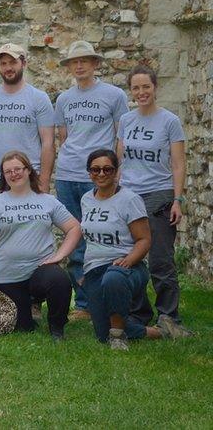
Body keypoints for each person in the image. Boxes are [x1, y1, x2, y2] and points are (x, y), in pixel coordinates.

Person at [53, 40, 128, 321]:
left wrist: (114, 171)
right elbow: (64, 138)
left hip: (99, 175)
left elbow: (121, 135)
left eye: (85, 60)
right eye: (75, 61)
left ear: (95, 64)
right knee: (75, 239)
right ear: (70, 67)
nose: (80, 65)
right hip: (68, 174)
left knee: (103, 236)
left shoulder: (114, 94)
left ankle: (111, 297)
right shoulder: (63, 99)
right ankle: (83, 304)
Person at [117, 65, 190, 337]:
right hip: (130, 197)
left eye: (146, 86)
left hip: (159, 194)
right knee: (130, 257)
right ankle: (140, 313)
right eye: (136, 88)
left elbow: (178, 163)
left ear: (155, 88)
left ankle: (169, 316)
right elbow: (120, 159)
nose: (141, 92)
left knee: (160, 260)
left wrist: (177, 199)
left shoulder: (169, 121)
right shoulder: (126, 120)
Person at [0, 151, 81, 339]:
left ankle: (57, 328)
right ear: (4, 176)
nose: (13, 174)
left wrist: (59, 256)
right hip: (8, 276)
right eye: (8, 171)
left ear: (28, 171)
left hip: (39, 271)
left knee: (59, 280)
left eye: (18, 169)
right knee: (22, 327)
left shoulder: (47, 201)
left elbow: (74, 228)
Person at [80, 149, 167, 349]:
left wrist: (128, 260)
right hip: (95, 269)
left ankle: (118, 336)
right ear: (89, 173)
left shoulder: (129, 199)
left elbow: (144, 239)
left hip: (126, 266)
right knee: (102, 333)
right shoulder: (86, 199)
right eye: (95, 170)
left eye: (107, 169)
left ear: (116, 171)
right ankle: (154, 331)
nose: (101, 174)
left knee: (113, 278)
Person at [0, 43, 55, 216]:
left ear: (23, 63)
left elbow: (48, 142)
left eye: (13, 62)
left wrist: (44, 181)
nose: (8, 68)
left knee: (31, 231)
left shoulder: (39, 98)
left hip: (29, 177)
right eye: (3, 63)